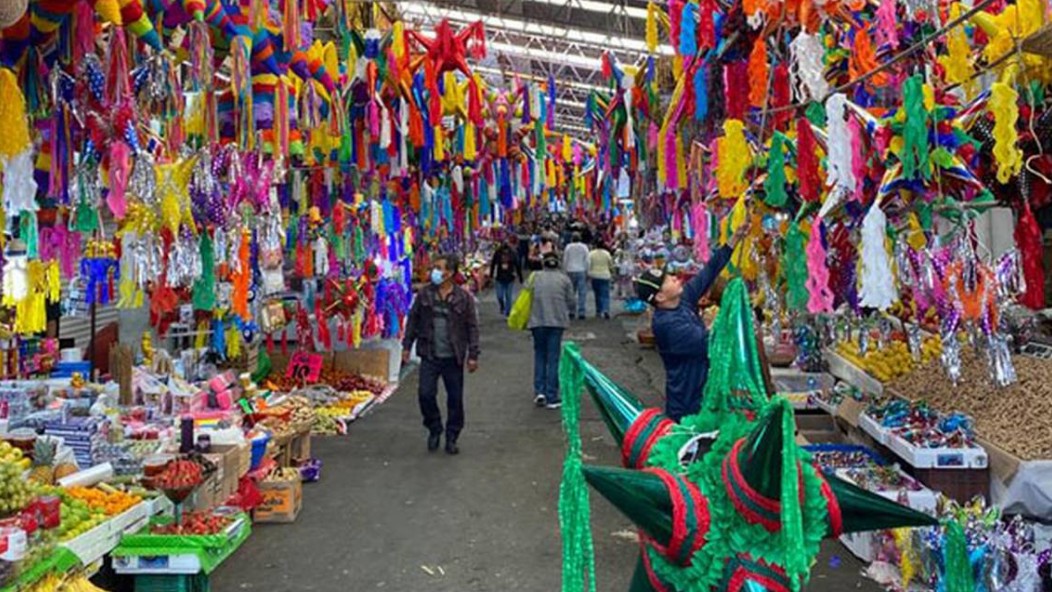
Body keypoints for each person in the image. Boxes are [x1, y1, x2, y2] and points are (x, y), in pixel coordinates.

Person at [634, 221, 750, 422]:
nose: (675, 278)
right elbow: (712, 341)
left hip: (705, 397)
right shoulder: (668, 325)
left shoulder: (682, 301)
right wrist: (723, 316)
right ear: (660, 297)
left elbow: (709, 271)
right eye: (668, 280)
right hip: (688, 407)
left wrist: (734, 239)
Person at [402, 254, 480, 455]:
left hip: (453, 356)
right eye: (434, 267)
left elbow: (472, 327)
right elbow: (413, 320)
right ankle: (434, 427)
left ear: (450, 273)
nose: (434, 271)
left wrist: (473, 355)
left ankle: (452, 436)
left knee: (455, 399)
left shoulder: (463, 298)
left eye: (438, 268)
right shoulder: (425, 295)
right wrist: (406, 346)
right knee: (425, 394)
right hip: (429, 354)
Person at [528, 252, 574, 409]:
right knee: (553, 358)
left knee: (540, 355)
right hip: (557, 322)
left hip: (537, 320)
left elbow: (526, 296)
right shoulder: (564, 279)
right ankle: (552, 395)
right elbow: (571, 301)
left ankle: (539, 391)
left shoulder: (534, 277)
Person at [489, 241, 523, 316]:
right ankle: (502, 306)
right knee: (499, 296)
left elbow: (518, 265)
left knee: (508, 296)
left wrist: (520, 277)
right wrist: (491, 275)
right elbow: (493, 264)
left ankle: (508, 312)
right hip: (499, 277)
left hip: (510, 277)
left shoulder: (513, 253)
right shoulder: (497, 253)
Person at [562, 233, 590, 319]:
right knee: (582, 292)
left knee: (571, 293)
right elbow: (587, 260)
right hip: (581, 270)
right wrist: (587, 271)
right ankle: (581, 312)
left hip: (570, 270)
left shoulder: (568, 247)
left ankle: (571, 311)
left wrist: (564, 270)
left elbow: (565, 259)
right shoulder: (584, 247)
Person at [587, 241, 616, 319]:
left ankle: (598, 311)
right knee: (605, 294)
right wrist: (613, 272)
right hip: (605, 275)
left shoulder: (591, 254)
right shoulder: (607, 254)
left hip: (594, 275)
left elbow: (588, 264)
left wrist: (588, 274)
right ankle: (606, 309)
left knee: (597, 294)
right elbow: (611, 265)